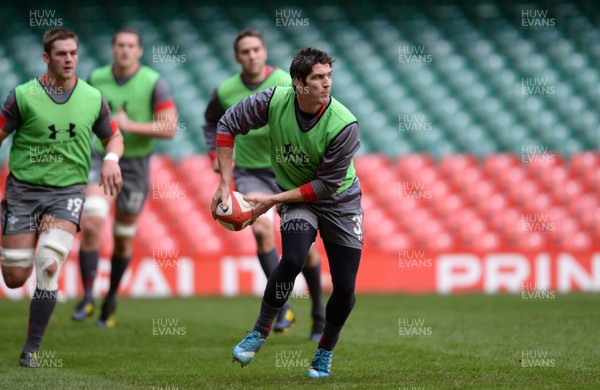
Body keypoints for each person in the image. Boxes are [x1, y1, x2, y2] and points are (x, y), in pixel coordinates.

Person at [211, 47, 363, 378]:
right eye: (318, 78)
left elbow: (324, 186)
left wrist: (271, 199)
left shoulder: (344, 124)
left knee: (346, 288)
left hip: (340, 201)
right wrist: (225, 183)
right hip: (297, 200)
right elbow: (226, 124)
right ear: (298, 83)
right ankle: (259, 332)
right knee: (293, 259)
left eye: (329, 76)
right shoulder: (272, 101)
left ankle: (324, 351)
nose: (327, 84)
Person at [0, 28, 123, 367]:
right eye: (61, 54)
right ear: (46, 58)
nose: (68, 59)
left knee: (49, 261)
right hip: (23, 193)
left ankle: (31, 349)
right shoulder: (21, 96)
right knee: (13, 277)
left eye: (73, 53)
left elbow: (113, 138)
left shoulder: (93, 98)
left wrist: (111, 161)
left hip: (66, 194)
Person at [204, 30, 325, 340]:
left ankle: (318, 312)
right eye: (245, 51)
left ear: (264, 51)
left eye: (256, 49)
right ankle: (282, 306)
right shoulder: (226, 90)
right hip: (248, 172)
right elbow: (213, 121)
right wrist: (214, 155)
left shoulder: (287, 81)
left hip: (286, 168)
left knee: (306, 250)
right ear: (237, 57)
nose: (252, 55)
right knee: (260, 230)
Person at [71, 27, 177, 327]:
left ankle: (111, 298)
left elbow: (169, 128)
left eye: (131, 45)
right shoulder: (96, 78)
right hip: (101, 157)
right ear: (112, 49)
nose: (125, 50)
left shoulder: (155, 83)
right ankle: (88, 296)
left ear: (140, 51)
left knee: (122, 240)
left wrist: (130, 125)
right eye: (120, 45)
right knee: (92, 221)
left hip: (135, 165)